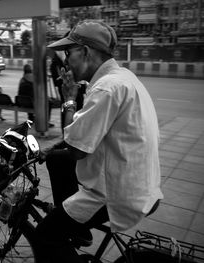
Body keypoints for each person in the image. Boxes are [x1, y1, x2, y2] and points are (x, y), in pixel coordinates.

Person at [35, 21, 163, 263]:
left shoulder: (106, 88)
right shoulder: (123, 77)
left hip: (117, 192)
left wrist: (69, 100)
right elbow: (87, 130)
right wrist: (52, 147)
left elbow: (76, 149)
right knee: (56, 159)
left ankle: (72, 224)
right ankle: (78, 227)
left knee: (45, 236)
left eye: (68, 52)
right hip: (137, 180)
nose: (65, 61)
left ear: (85, 52)